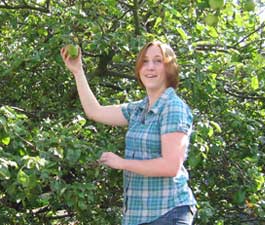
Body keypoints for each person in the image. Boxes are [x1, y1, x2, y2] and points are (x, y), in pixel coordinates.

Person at [60, 40, 197, 225]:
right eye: (145, 61)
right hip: (138, 216)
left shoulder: (173, 108)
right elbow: (95, 111)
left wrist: (122, 163)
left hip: (168, 213)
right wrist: (78, 71)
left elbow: (170, 166)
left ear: (169, 68)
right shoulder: (138, 109)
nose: (150, 67)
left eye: (158, 61)